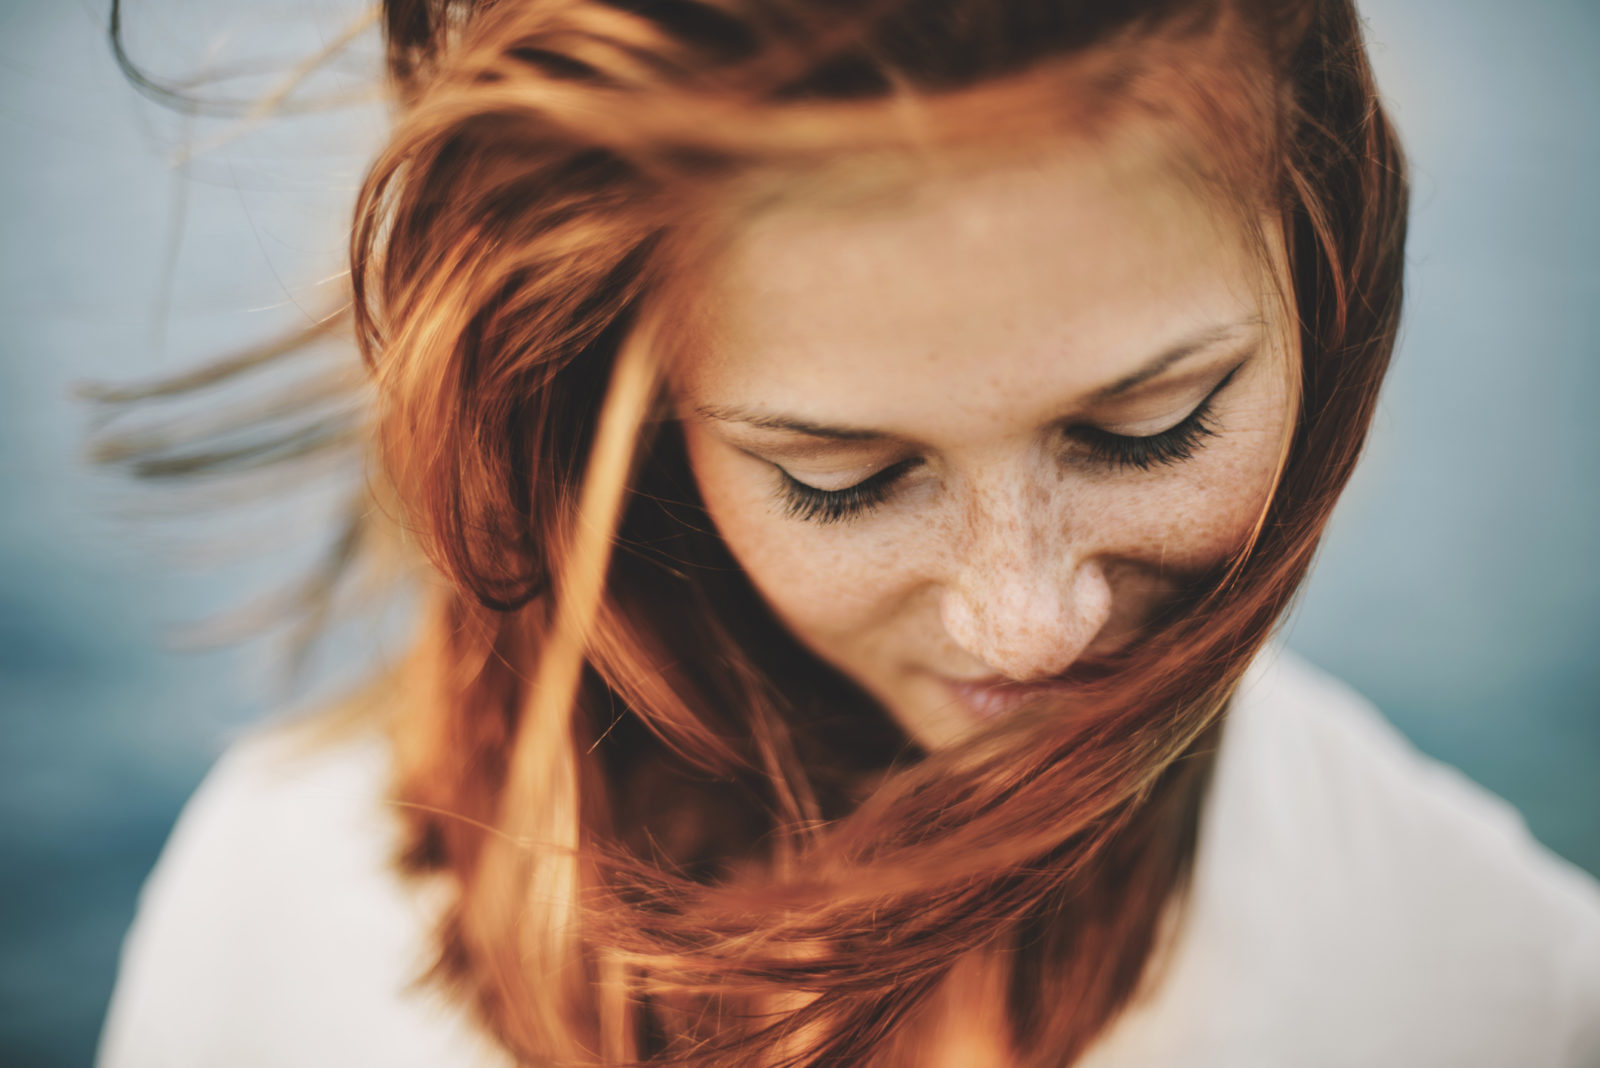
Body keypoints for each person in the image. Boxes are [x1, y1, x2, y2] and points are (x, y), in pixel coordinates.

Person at [97, 0, 1600, 1065]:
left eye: (1151, 429)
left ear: (1329, 268)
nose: (1028, 621)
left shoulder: (1502, 1001)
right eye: (846, 478)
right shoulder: (282, 917)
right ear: (630, 409)